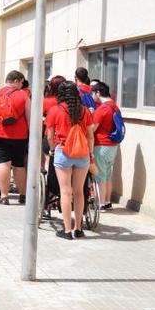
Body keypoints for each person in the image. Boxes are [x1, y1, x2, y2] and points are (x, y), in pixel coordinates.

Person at [46, 81, 95, 240]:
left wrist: (53, 150)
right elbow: (90, 136)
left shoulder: (55, 110)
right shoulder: (85, 111)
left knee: (65, 192)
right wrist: (91, 154)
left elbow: (49, 135)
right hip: (82, 153)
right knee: (79, 192)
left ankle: (67, 230)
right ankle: (78, 228)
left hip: (63, 151)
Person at [0, 70, 31, 205]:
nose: (22, 85)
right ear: (16, 81)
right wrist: (32, 136)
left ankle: (4, 196)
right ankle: (23, 195)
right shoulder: (23, 95)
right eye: (21, 82)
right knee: (19, 165)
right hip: (19, 135)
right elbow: (30, 118)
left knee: (3, 164)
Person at [91, 81, 120, 211]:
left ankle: (100, 203)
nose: (92, 96)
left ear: (98, 93)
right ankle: (107, 201)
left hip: (101, 145)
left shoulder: (102, 108)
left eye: (93, 93)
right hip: (113, 145)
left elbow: (92, 128)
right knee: (108, 174)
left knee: (100, 176)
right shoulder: (115, 106)